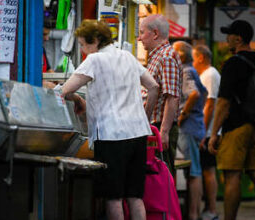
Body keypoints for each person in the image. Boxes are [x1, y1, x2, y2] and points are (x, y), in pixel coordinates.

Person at [61, 19, 159, 220]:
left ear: (95, 40)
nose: (82, 49)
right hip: (138, 134)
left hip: (111, 135)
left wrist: (76, 98)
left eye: (82, 44)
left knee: (113, 196)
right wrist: (145, 117)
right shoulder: (128, 57)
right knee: (134, 195)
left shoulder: (94, 60)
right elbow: (154, 87)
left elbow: (65, 90)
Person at [208, 20, 255, 220]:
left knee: (232, 175)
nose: (227, 38)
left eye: (229, 35)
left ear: (238, 39)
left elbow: (223, 103)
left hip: (237, 127)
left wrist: (214, 134)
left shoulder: (233, 63)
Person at [138, 14, 183, 176]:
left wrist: (163, 132)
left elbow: (172, 97)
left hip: (159, 128)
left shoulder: (166, 57)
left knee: (162, 176)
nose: (139, 38)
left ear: (155, 33)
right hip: (154, 127)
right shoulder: (158, 55)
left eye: (142, 33)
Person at [173, 41, 207, 220]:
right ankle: (194, 213)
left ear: (181, 55)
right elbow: (204, 93)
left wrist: (182, 115)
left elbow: (195, 94)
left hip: (188, 127)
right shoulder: (191, 71)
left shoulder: (186, 71)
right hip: (195, 126)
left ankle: (193, 215)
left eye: (173, 51)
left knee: (193, 172)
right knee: (194, 170)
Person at [192, 44, 221, 220]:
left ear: (201, 58)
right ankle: (208, 209)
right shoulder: (206, 74)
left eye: (194, 58)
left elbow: (210, 104)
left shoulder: (210, 74)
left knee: (208, 170)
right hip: (205, 130)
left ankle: (211, 210)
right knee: (204, 170)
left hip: (208, 132)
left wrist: (202, 131)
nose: (193, 62)